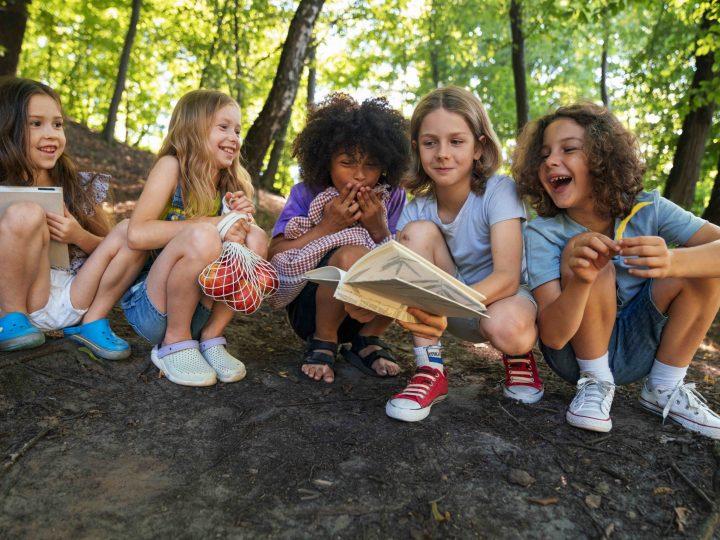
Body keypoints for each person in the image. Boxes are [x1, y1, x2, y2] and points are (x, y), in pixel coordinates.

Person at [514, 102, 720, 438]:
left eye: (568, 149)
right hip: (573, 357)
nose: (550, 160)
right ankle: (595, 383)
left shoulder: (648, 206)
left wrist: (673, 261)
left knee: (703, 263)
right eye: (544, 155)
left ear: (602, 157)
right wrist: (581, 281)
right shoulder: (542, 232)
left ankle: (664, 388)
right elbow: (552, 336)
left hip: (641, 347)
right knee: (584, 253)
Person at [384, 86, 542, 422]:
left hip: (503, 300)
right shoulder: (416, 210)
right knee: (417, 234)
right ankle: (429, 370)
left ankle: (519, 357)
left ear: (478, 146)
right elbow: (409, 284)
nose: (442, 153)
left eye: (456, 141)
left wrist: (439, 304)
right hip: (449, 307)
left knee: (507, 329)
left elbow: (507, 277)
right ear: (417, 148)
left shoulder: (499, 191)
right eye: (430, 142)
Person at [122, 89, 268, 387]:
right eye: (223, 127)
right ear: (193, 128)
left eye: (238, 130)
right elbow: (137, 234)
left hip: (200, 310)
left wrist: (238, 222)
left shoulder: (230, 183)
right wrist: (216, 223)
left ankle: (211, 335)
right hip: (154, 307)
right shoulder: (171, 167)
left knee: (257, 237)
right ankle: (172, 343)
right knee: (202, 234)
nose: (234, 137)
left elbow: (237, 246)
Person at [268, 94, 410, 384]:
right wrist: (327, 226)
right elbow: (275, 252)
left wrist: (379, 229)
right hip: (311, 308)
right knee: (349, 255)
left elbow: (402, 258)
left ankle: (367, 340)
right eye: (347, 163)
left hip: (370, 311)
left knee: (407, 261)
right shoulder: (306, 193)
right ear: (326, 161)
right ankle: (324, 340)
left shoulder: (394, 196)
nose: (359, 176)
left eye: (371, 165)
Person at [0, 77, 143, 359]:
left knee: (132, 232)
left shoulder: (75, 185)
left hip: (73, 297)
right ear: (8, 129)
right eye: (36, 123)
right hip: (22, 294)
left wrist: (77, 235)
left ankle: (93, 322)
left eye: (57, 124)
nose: (52, 134)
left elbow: (108, 248)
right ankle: (11, 319)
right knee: (25, 213)